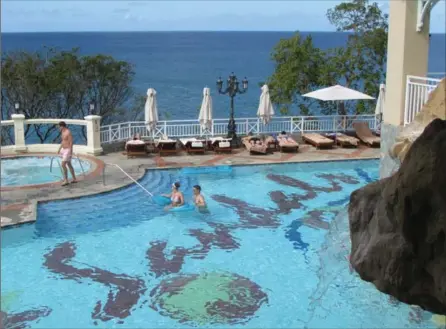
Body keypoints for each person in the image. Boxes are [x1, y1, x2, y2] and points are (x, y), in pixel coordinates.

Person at [57, 121, 77, 186]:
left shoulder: (68, 132)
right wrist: (59, 149)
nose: (59, 128)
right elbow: (63, 141)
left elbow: (71, 143)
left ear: (62, 126)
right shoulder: (62, 132)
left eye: (59, 127)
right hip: (63, 149)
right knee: (69, 164)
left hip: (68, 150)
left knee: (63, 164)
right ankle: (74, 179)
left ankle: (66, 180)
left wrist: (71, 153)